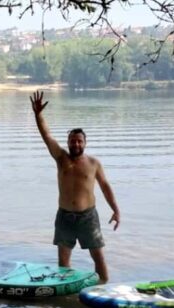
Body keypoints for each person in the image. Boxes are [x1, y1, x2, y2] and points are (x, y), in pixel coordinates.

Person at [30, 91, 120, 283]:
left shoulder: (94, 163)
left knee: (98, 257)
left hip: (88, 216)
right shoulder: (61, 158)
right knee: (63, 261)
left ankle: (104, 288)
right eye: (73, 140)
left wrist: (115, 210)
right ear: (68, 142)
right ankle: (66, 292)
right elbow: (46, 135)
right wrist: (38, 115)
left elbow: (105, 186)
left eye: (79, 141)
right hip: (64, 216)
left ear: (85, 143)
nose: (76, 143)